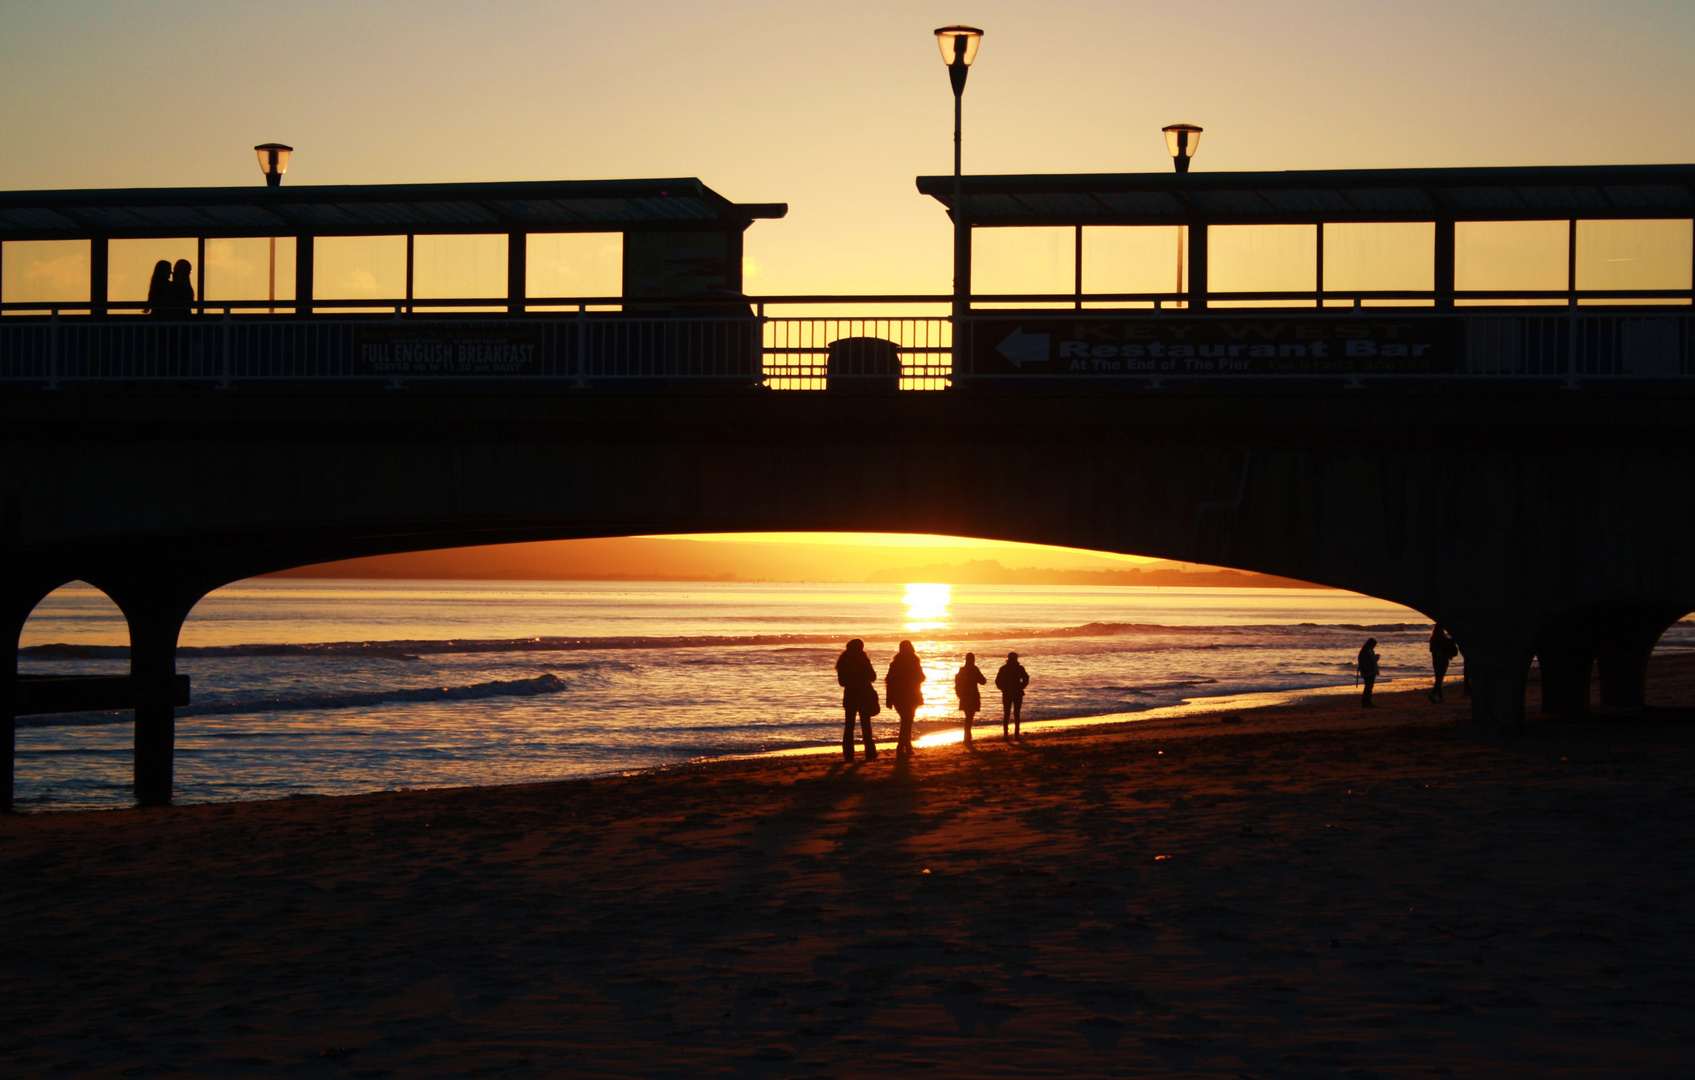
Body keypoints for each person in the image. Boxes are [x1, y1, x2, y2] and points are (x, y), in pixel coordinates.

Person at [835, 638, 878, 762]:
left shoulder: (843, 661)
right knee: (866, 725)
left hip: (850, 695)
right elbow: (873, 676)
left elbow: (842, 682)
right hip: (864, 694)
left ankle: (848, 755)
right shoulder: (863, 659)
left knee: (849, 726)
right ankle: (870, 753)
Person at [885, 640, 925, 757]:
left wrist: (889, 698)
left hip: (898, 696)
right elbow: (922, 677)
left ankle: (904, 745)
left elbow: (889, 681)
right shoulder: (914, 662)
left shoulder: (895, 663)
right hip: (912, 695)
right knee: (907, 720)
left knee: (906, 719)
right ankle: (904, 746)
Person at [995, 651, 1030, 739]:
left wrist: (1002, 688)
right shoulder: (1019, 668)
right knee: (1016, 713)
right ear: (1016, 659)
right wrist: (1022, 686)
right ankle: (1016, 734)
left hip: (1007, 692)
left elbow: (997, 681)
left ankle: (1006, 733)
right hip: (1017, 692)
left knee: (1007, 713)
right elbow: (1026, 678)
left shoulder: (1004, 668)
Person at [954, 652, 986, 746]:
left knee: (968, 715)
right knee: (969, 716)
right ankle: (967, 736)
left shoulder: (962, 670)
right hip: (972, 695)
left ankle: (967, 735)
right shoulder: (974, 669)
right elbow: (983, 681)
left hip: (963, 696)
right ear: (973, 660)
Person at [1428, 624, 1458, 703]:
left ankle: (1441, 698)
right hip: (1444, 660)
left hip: (1435, 661)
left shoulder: (1433, 639)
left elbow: (1431, 650)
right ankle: (1433, 694)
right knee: (1439, 679)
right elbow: (1453, 643)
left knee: (1438, 678)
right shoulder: (1445, 640)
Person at [1357, 638, 1380, 708]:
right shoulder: (1369, 651)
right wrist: (1377, 656)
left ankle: (1365, 702)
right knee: (1369, 687)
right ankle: (1367, 702)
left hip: (1364, 671)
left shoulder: (1362, 651)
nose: (1374, 647)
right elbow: (1373, 660)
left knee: (1367, 687)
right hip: (1370, 671)